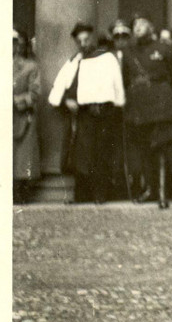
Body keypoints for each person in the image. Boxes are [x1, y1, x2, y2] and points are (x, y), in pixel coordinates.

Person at [48, 24, 127, 204]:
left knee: (101, 153)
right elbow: (60, 85)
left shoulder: (107, 58)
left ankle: (101, 195)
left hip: (104, 112)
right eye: (80, 41)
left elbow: (117, 85)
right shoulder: (75, 61)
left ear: (93, 38)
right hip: (84, 114)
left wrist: (118, 104)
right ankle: (81, 196)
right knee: (82, 156)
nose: (84, 44)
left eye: (86, 39)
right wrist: (64, 100)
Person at [120, 15, 172, 208]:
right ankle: (150, 189)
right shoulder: (128, 52)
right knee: (143, 149)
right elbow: (125, 80)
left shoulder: (165, 49)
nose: (138, 28)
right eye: (135, 25)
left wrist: (162, 95)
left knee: (162, 149)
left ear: (151, 26)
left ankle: (163, 193)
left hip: (161, 107)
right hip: (138, 108)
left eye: (142, 24)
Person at [13, 28, 42, 203]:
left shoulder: (31, 67)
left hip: (22, 117)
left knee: (22, 158)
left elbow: (35, 93)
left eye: (16, 42)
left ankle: (21, 192)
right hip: (0, 118)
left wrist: (16, 100)